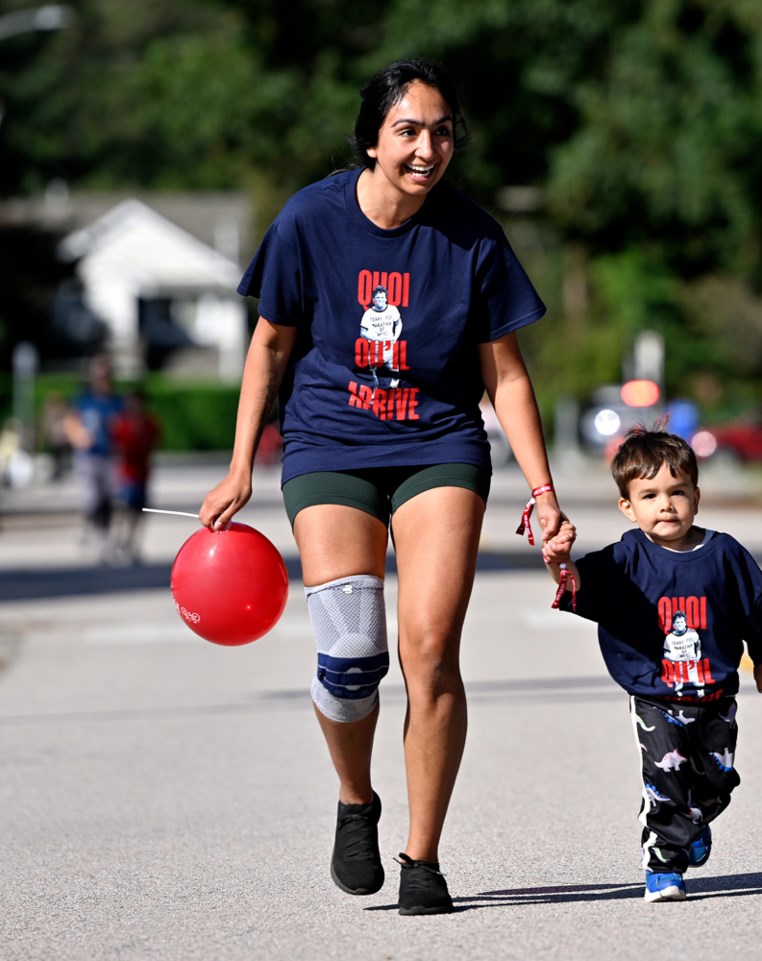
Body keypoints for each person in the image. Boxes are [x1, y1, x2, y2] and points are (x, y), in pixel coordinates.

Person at [199, 58, 565, 916]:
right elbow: (270, 346)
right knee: (352, 649)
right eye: (408, 129)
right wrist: (241, 462)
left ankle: (423, 856)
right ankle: (355, 796)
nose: (428, 147)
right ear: (372, 139)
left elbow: (505, 376)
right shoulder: (310, 219)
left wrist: (544, 491)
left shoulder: (473, 235)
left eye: (442, 131)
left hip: (439, 442)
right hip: (331, 442)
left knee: (431, 652)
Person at [542, 422, 762, 903]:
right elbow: (577, 584)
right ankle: (663, 867)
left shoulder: (724, 554)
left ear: (696, 497)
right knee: (665, 779)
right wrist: (559, 559)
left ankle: (692, 822)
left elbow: (755, 605)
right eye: (651, 495)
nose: (666, 505)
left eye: (678, 492)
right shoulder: (625, 558)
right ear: (628, 506)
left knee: (717, 783)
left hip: (714, 693)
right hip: (654, 693)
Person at [64, 354, 125, 563]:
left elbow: (125, 426)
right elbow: (70, 422)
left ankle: (104, 541)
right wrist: (78, 435)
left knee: (108, 500)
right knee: (92, 499)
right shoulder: (84, 399)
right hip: (89, 458)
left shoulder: (117, 401)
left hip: (110, 457)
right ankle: (90, 526)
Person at [111, 387, 161, 564]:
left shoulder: (149, 424)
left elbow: (155, 443)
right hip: (126, 474)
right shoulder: (121, 423)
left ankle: (133, 543)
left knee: (139, 512)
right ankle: (118, 540)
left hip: (142, 473)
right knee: (124, 509)